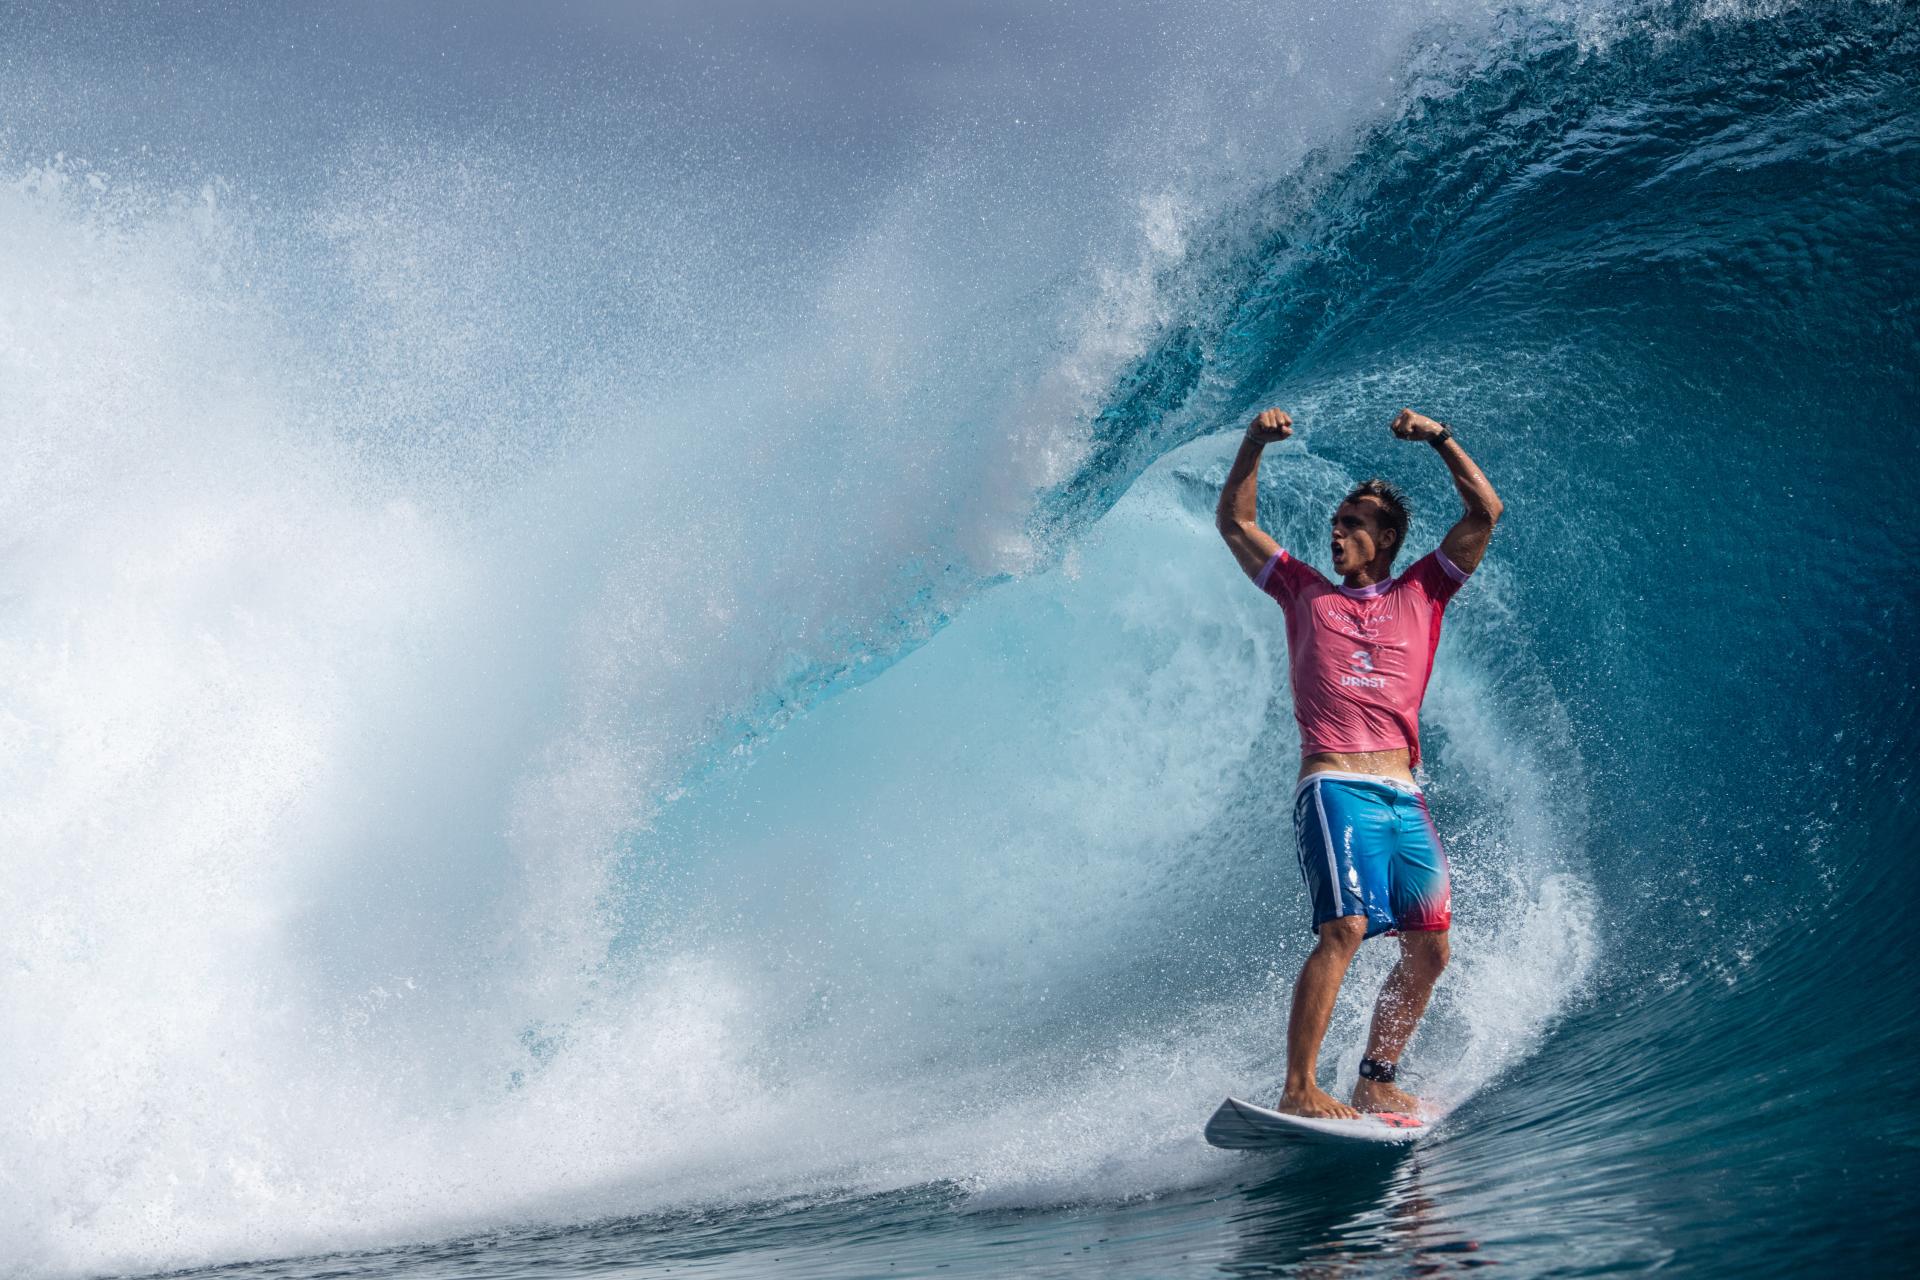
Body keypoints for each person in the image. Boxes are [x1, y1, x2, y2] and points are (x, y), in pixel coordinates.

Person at [1214, 406, 1503, 1119]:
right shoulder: (1304, 592)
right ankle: (1299, 1087)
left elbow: (1485, 511)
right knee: (1343, 930)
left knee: (1430, 951)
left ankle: (1375, 1077)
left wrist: (1440, 437)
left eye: (1352, 523)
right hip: (1336, 784)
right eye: (1336, 522)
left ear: (1386, 540)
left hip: (1404, 795)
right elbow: (1235, 523)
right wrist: (1254, 442)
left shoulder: (1424, 592)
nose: (1336, 531)